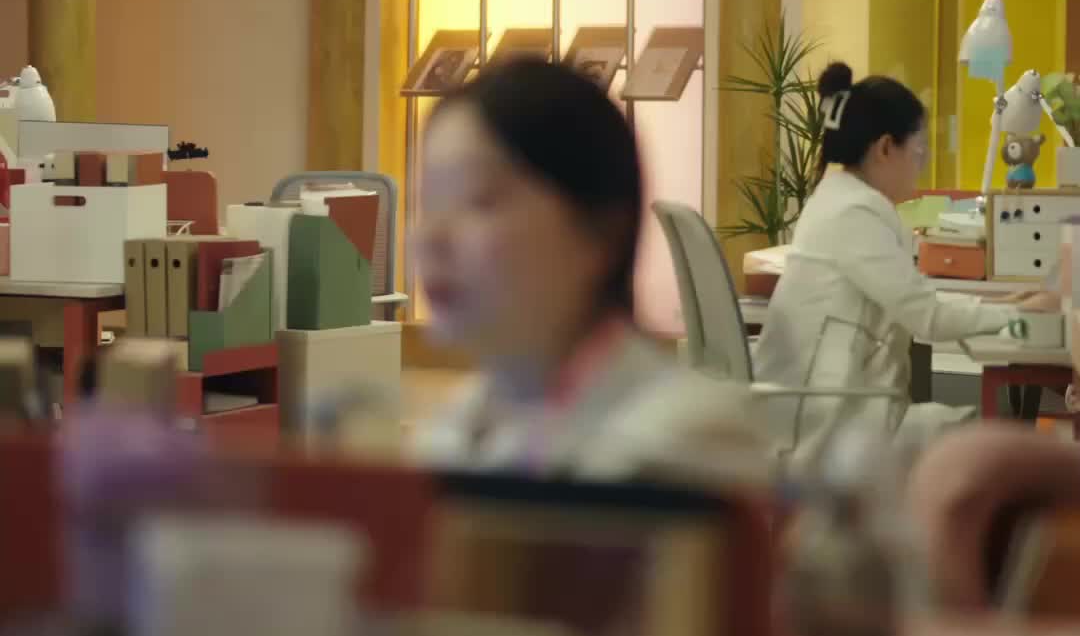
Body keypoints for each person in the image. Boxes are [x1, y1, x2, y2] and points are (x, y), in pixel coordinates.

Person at [412, 56, 764, 479]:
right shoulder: (451, 433)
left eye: (479, 199)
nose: (431, 236)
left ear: (601, 230)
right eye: (428, 201)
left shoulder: (682, 442)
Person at [753, 62, 1057, 468]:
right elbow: (928, 318)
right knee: (997, 441)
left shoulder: (839, 198)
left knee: (993, 436)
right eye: (919, 149)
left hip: (820, 410)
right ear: (885, 148)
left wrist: (1005, 304)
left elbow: (917, 303)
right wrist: (1019, 314)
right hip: (829, 425)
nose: (923, 161)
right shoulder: (855, 213)